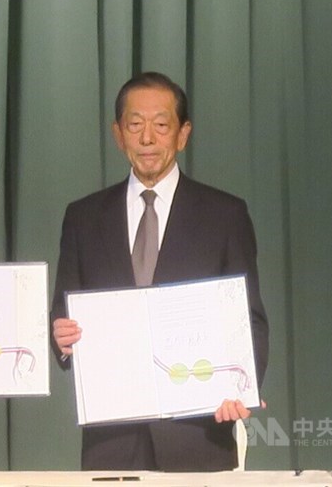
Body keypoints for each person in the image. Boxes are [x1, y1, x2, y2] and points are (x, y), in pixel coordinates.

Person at [51, 72, 269, 472]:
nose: (147, 138)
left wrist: (241, 385)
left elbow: (249, 320)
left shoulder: (225, 215)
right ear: (119, 134)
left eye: (161, 125)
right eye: (135, 125)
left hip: (198, 437)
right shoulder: (82, 217)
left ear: (182, 134)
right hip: (111, 439)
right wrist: (61, 339)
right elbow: (61, 317)